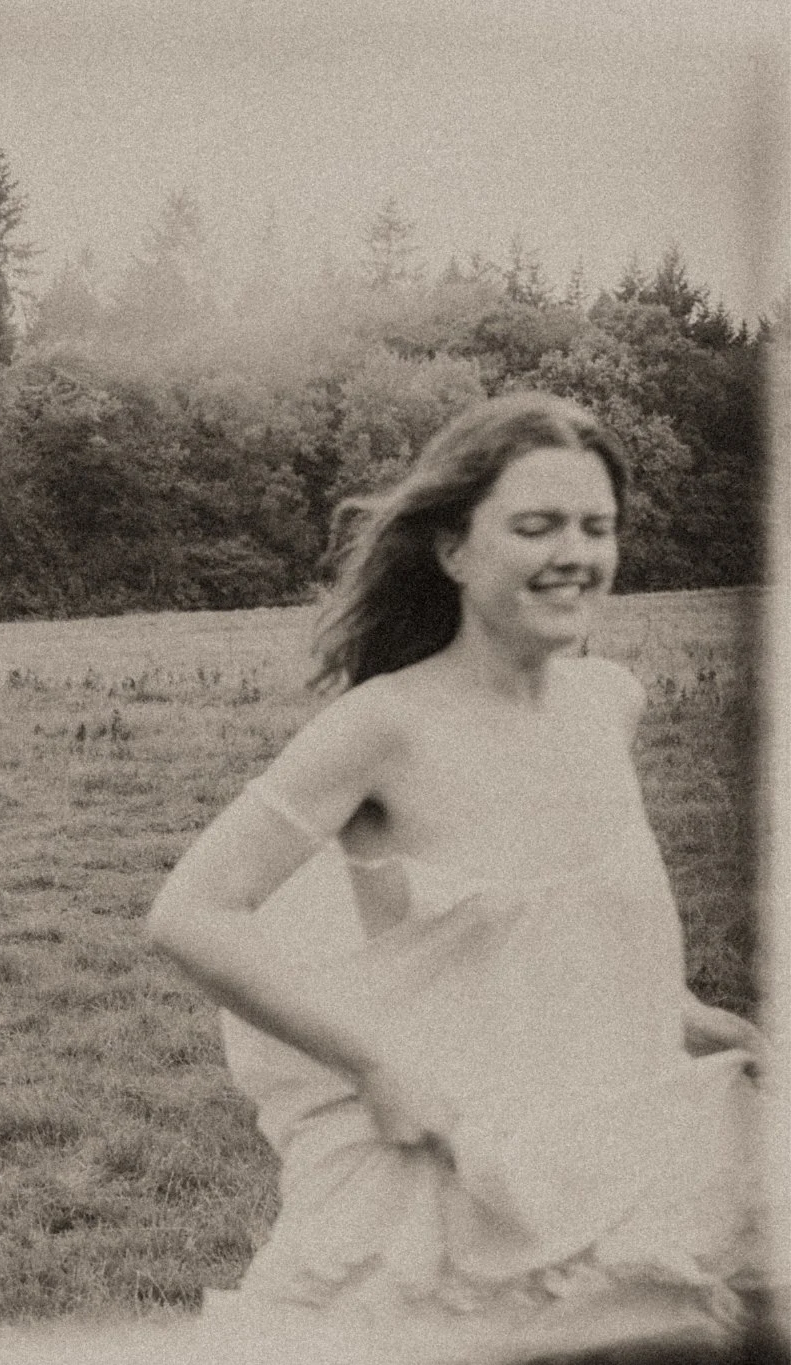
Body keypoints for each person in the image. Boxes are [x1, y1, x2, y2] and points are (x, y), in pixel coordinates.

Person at [145, 391, 771, 1358]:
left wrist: (680, 1009)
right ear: (453, 551)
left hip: (605, 1140)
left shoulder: (610, 703)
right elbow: (191, 913)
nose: (577, 553)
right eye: (537, 526)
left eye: (597, 527)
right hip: (448, 1180)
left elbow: (568, 903)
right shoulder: (382, 728)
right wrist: (378, 1066)